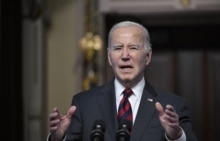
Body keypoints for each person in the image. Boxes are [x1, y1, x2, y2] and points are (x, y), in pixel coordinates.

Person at [48, 21, 198, 141]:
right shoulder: (84, 103)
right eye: (118, 48)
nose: (125, 55)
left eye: (133, 48)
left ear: (148, 56)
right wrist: (58, 138)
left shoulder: (173, 106)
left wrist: (176, 136)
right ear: (109, 57)